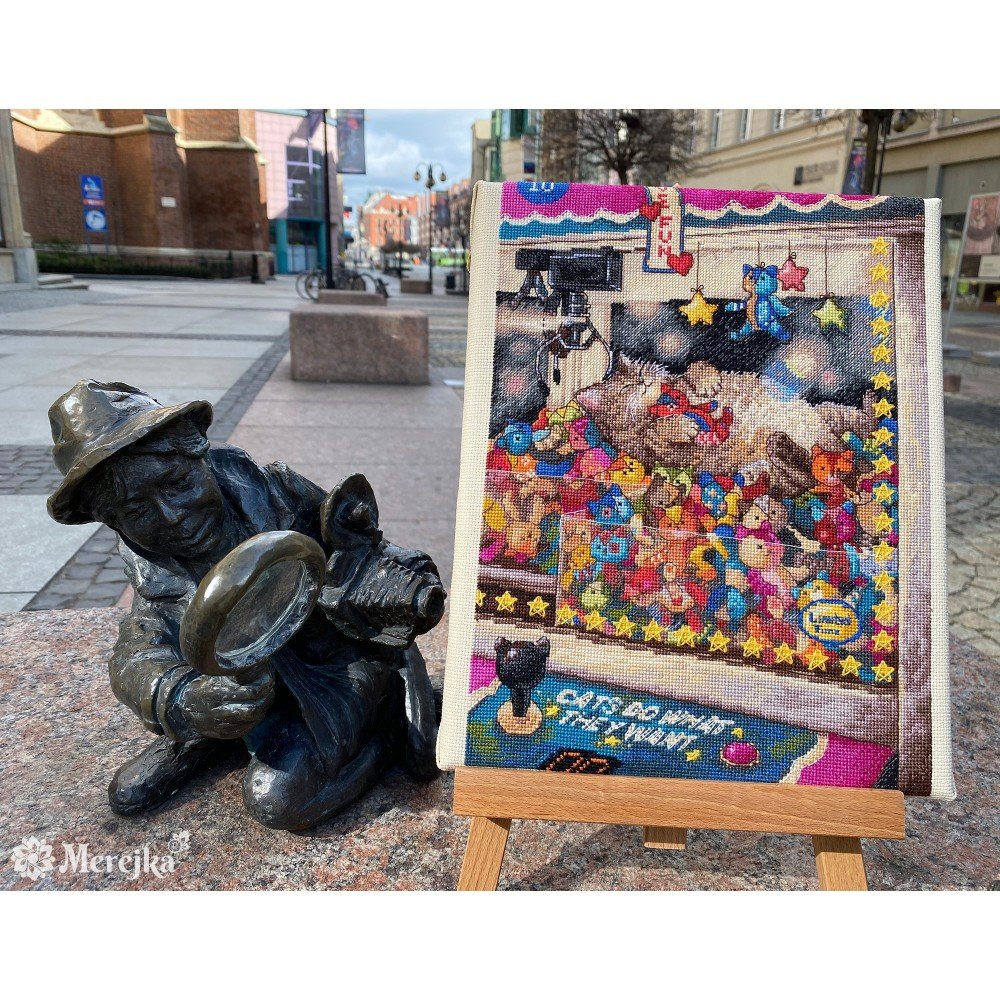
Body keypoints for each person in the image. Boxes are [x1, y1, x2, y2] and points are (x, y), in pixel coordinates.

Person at [46, 380, 441, 830]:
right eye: (136, 511)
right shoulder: (156, 572)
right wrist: (181, 698)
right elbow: (135, 655)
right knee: (129, 788)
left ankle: (388, 727)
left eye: (177, 483)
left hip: (335, 663)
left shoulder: (279, 493)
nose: (171, 515)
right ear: (113, 522)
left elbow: (366, 548)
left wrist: (390, 584)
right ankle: (212, 726)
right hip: (244, 685)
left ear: (201, 457)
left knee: (275, 799)